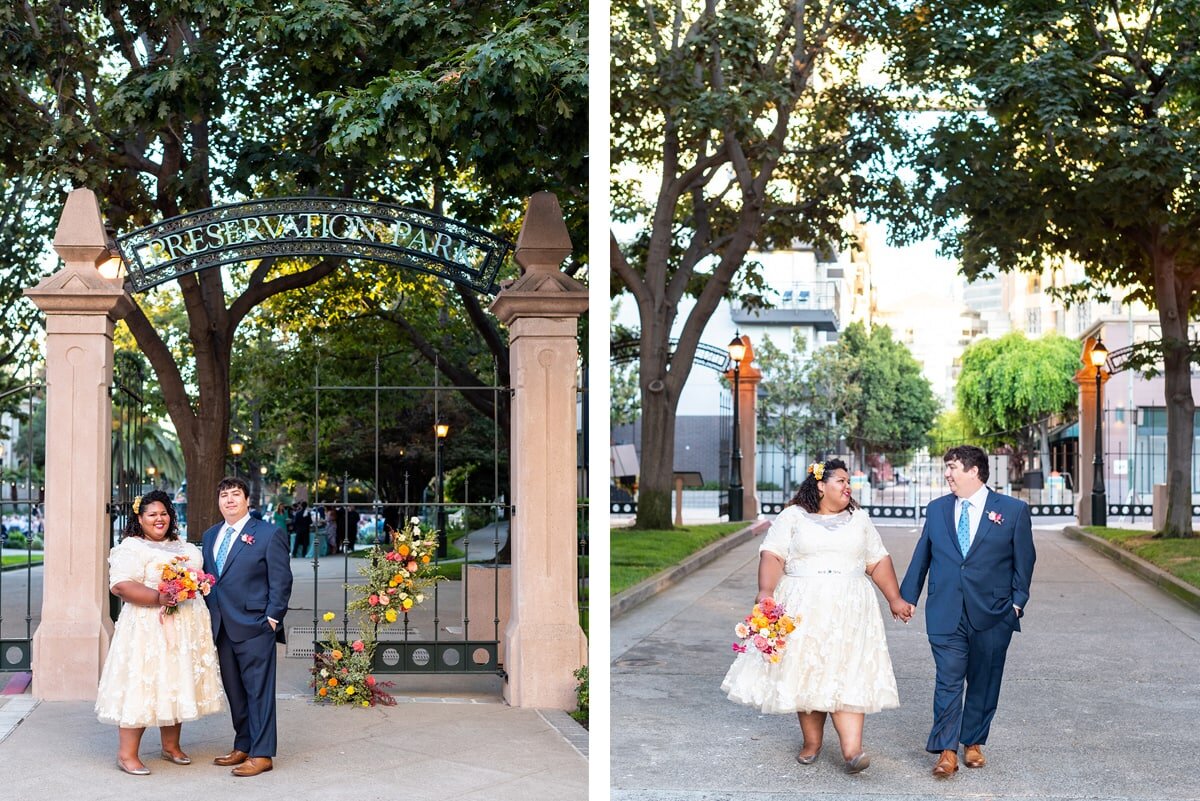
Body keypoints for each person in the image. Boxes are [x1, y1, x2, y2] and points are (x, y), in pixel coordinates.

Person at [721, 459, 911, 774]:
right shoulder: (792, 517)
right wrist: (766, 591)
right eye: (840, 481)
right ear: (820, 485)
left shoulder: (859, 520)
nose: (847, 486)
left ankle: (853, 750)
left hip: (850, 607)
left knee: (847, 669)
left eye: (849, 482)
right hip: (802, 605)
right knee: (808, 669)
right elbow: (773, 554)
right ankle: (812, 742)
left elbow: (877, 561)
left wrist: (895, 598)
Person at [899, 445, 1035, 778]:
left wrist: (1016, 604)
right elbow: (922, 557)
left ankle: (972, 741)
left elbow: (1025, 560)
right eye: (946, 467)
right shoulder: (937, 510)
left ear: (974, 471)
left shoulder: (1013, 511)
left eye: (952, 467)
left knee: (984, 680)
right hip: (946, 610)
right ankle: (947, 750)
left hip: (993, 612)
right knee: (948, 680)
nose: (947, 473)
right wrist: (906, 597)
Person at [95, 490, 224, 775]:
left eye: (163, 513)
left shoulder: (182, 545)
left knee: (174, 679)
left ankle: (171, 747)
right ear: (139, 518)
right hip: (146, 628)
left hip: (183, 627)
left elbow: (197, 578)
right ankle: (127, 754)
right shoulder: (132, 547)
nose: (159, 519)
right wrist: (159, 598)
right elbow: (120, 586)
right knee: (143, 683)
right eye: (152, 514)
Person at [202, 476, 293, 777]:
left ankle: (262, 753)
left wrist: (271, 618)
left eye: (235, 494)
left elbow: (281, 581)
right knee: (235, 692)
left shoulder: (268, 534)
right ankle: (243, 744)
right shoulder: (210, 535)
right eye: (224, 495)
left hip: (255, 626)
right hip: (222, 627)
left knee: (258, 692)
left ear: (247, 500)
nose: (229, 500)